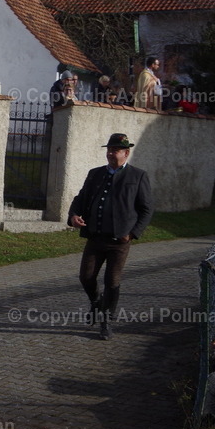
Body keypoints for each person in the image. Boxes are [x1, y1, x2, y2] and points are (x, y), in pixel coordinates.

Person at [67, 133, 153, 340]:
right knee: (86, 277)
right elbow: (81, 198)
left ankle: (106, 322)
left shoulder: (138, 176)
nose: (111, 153)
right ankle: (96, 302)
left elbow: (146, 209)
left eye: (115, 150)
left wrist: (133, 233)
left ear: (126, 153)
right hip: (95, 237)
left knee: (112, 281)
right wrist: (73, 216)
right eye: (109, 149)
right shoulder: (95, 173)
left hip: (119, 241)